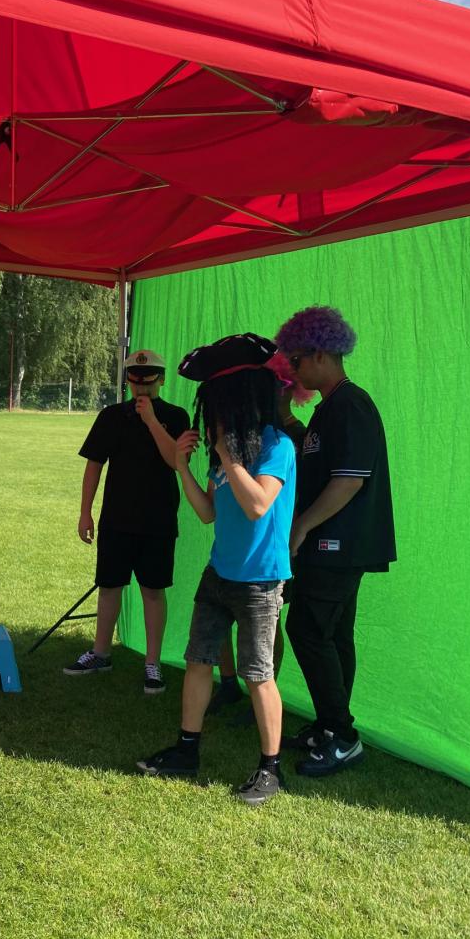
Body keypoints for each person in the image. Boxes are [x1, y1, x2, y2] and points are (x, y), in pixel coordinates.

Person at [136, 334, 295, 806]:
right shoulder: (223, 451)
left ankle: (271, 769)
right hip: (218, 574)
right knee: (198, 659)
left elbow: (258, 505)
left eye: (220, 409)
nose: (213, 420)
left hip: (260, 581)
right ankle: (187, 751)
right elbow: (207, 512)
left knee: (257, 674)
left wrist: (227, 454)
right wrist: (182, 466)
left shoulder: (277, 446)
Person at [275, 306, 395, 777]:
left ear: (321, 354)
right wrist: (286, 419)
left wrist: (302, 526)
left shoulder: (351, 405)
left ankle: (343, 737)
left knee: (307, 630)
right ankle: (330, 726)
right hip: (334, 546)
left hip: (338, 545)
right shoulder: (330, 407)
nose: (293, 372)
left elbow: (349, 480)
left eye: (297, 361)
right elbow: (316, 454)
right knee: (334, 633)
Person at [65, 349, 191, 694]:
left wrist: (151, 421)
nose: (141, 389)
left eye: (147, 382)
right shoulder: (111, 416)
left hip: (158, 522)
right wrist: (85, 511)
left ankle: (152, 663)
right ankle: (100, 653)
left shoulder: (176, 417)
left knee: (153, 591)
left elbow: (175, 461)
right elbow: (94, 464)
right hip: (116, 520)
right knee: (109, 587)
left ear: (161, 380)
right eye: (135, 382)